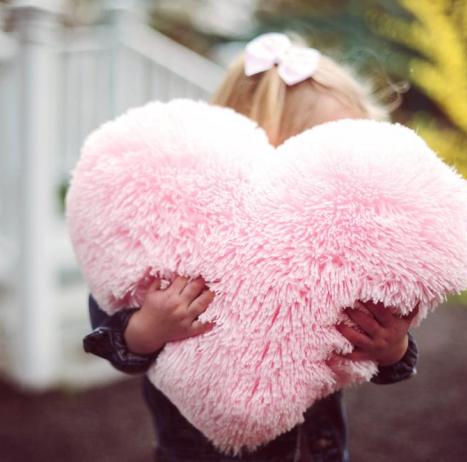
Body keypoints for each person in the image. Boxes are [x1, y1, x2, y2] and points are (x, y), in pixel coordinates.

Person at [83, 33, 419, 462]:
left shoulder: (337, 248)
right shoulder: (183, 240)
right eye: (326, 155)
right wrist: (149, 327)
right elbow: (110, 320)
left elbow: (382, 334)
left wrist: (393, 349)